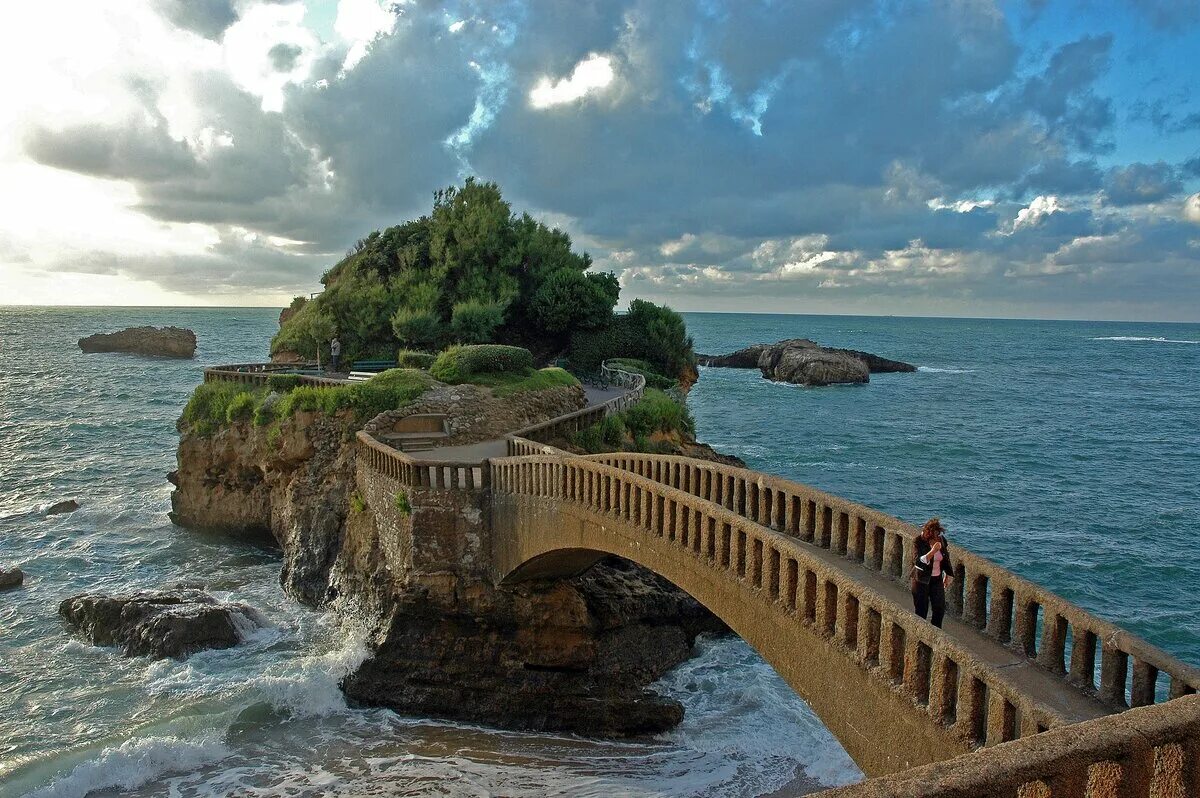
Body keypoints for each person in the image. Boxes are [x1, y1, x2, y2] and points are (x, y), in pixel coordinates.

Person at [911, 517, 954, 628]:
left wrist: (947, 574)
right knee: (921, 610)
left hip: (937, 579)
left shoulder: (942, 540)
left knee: (939, 608)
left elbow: (945, 558)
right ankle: (920, 634)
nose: (937, 537)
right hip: (921, 580)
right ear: (928, 534)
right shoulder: (918, 541)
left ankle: (936, 631)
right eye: (934, 535)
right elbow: (918, 562)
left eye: (938, 534)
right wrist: (933, 551)